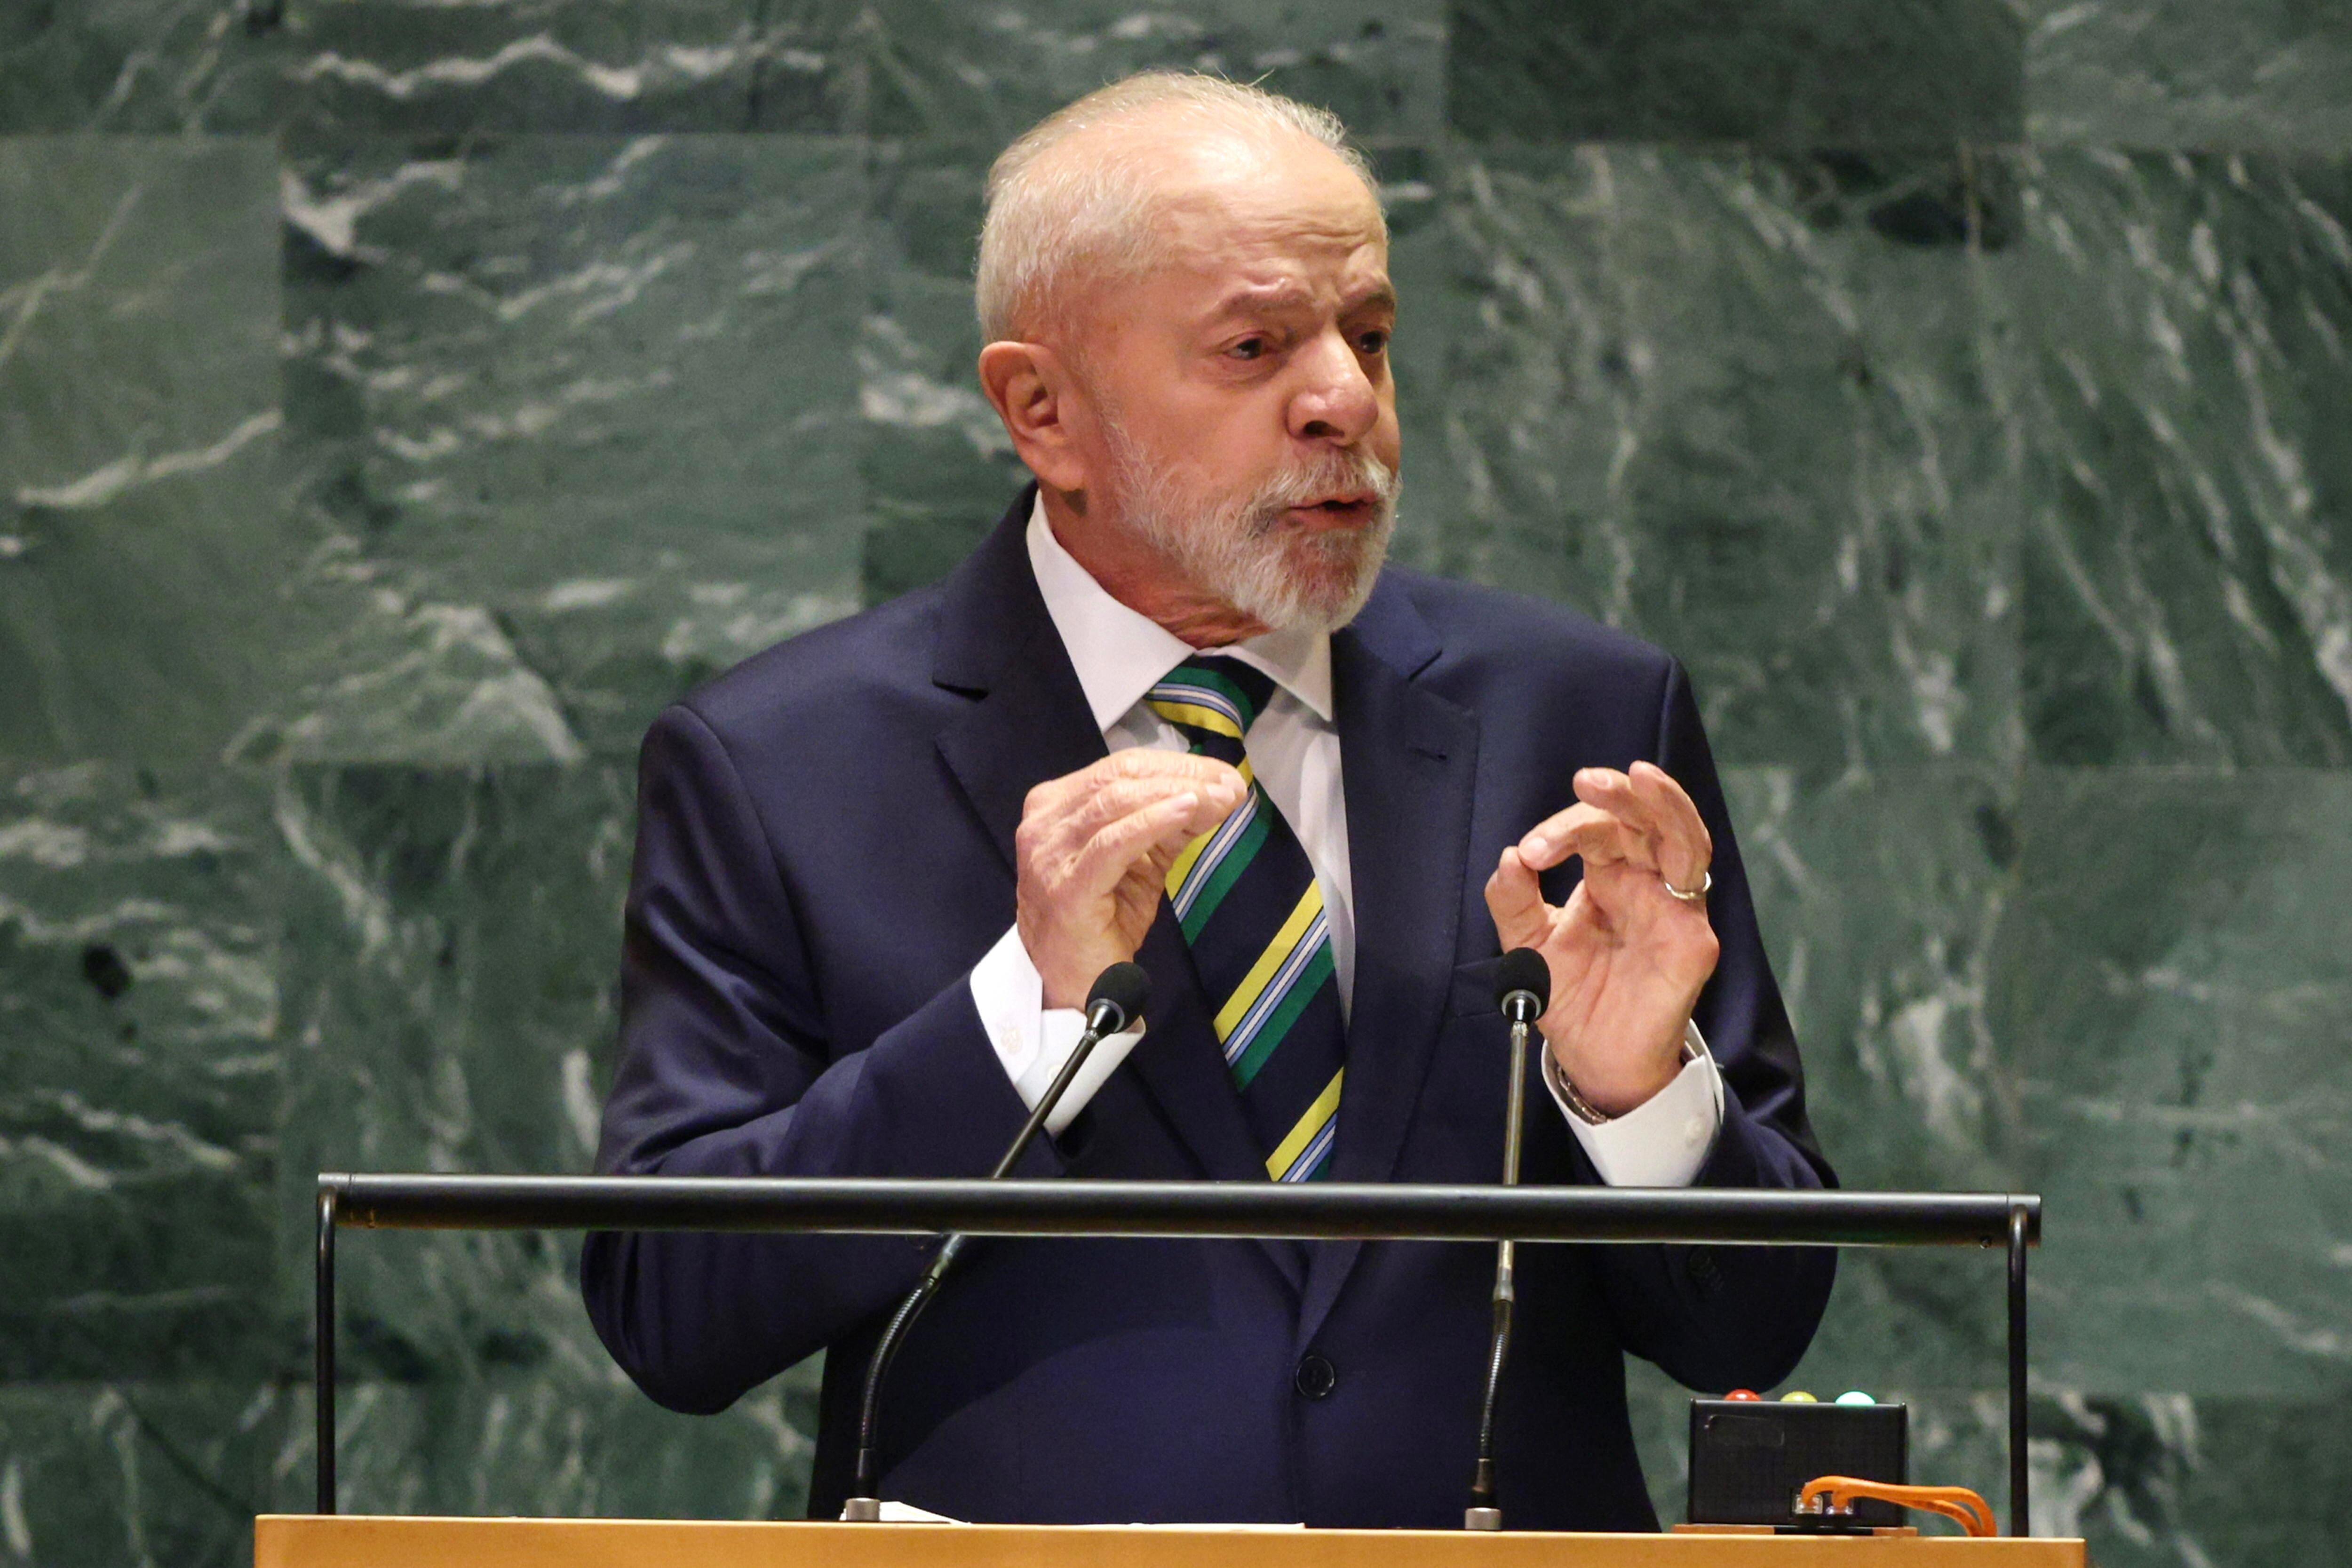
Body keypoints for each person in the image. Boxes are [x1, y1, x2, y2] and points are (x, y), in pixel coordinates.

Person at [582, 71, 1834, 1530]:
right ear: (1043, 411)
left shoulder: (1581, 722)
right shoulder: (779, 763)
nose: (1346, 400)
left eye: (1371, 336)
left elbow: (1754, 1328)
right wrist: (1022, 1018)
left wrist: (1636, 1099)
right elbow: (672, 1310)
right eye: (1254, 348)